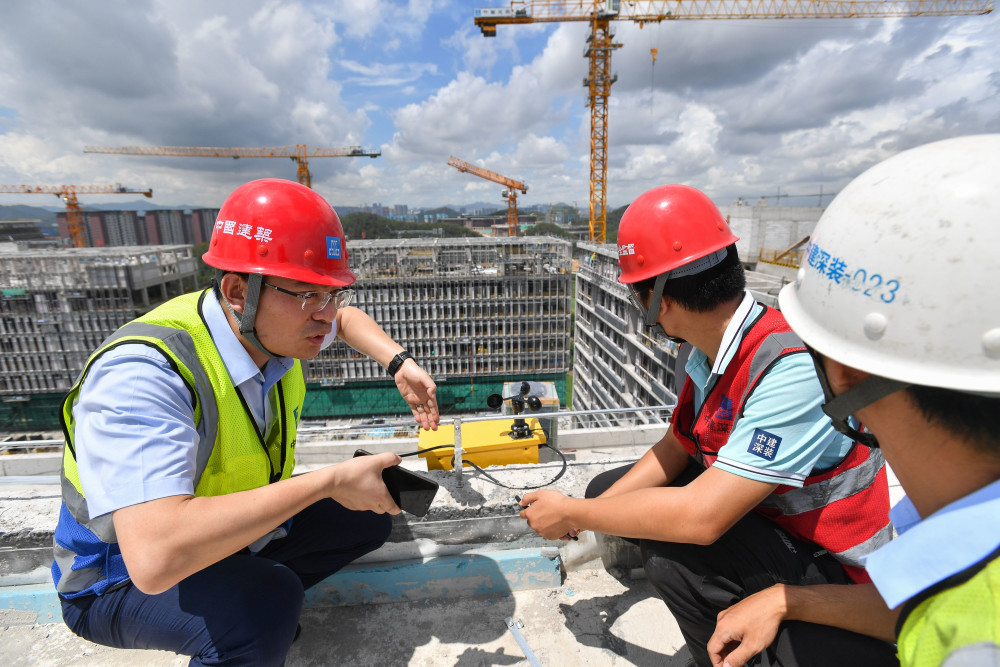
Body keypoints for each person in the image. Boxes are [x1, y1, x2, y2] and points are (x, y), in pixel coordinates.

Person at [51, 178, 440, 665]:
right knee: (265, 604)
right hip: (117, 577)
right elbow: (155, 559)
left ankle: (246, 607)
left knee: (367, 517)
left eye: (331, 295)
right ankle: (247, 621)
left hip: (220, 533)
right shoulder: (143, 375)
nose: (325, 317)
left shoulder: (275, 328)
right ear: (238, 290)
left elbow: (346, 319)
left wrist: (397, 361)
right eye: (307, 296)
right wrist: (331, 480)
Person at [519, 184, 896, 666]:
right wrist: (581, 510)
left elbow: (702, 520)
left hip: (834, 568)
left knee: (675, 556)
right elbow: (677, 445)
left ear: (659, 301)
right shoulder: (708, 348)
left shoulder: (790, 368)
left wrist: (576, 513)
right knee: (607, 491)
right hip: (766, 515)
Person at [707, 134, 1000, 667]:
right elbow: (915, 605)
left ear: (843, 372)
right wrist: (786, 599)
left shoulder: (971, 644)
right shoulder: (967, 579)